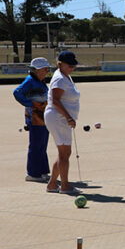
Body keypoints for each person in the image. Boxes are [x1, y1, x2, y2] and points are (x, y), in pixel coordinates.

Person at [44, 51, 81, 194]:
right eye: (70, 65)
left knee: (63, 153)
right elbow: (55, 100)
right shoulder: (59, 79)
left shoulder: (65, 76)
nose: (72, 68)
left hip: (60, 118)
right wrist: (69, 117)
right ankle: (65, 186)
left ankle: (52, 184)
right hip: (58, 117)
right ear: (60, 64)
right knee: (64, 153)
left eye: (74, 65)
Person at [13, 57, 51, 183]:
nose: (47, 71)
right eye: (45, 69)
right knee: (36, 145)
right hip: (35, 117)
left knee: (42, 144)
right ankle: (33, 173)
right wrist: (30, 104)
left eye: (47, 69)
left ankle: (42, 170)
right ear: (37, 70)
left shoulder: (40, 81)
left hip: (43, 116)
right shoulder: (30, 80)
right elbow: (17, 92)